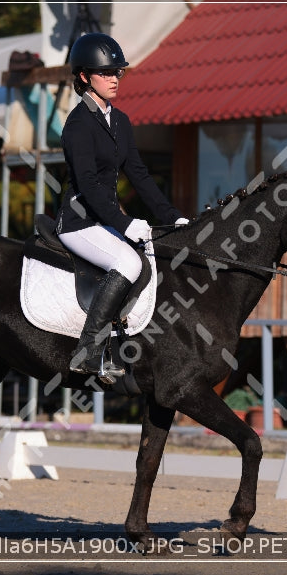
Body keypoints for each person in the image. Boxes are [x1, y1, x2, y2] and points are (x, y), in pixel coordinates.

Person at [56, 32, 188, 382]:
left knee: (151, 257)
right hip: (79, 222)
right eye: (107, 73)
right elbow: (87, 185)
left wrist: (171, 216)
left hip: (106, 221)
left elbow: (140, 176)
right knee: (129, 261)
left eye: (118, 72)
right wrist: (123, 222)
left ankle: (124, 348)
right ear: (84, 77)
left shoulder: (121, 121)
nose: (115, 78)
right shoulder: (78, 124)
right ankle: (87, 351)